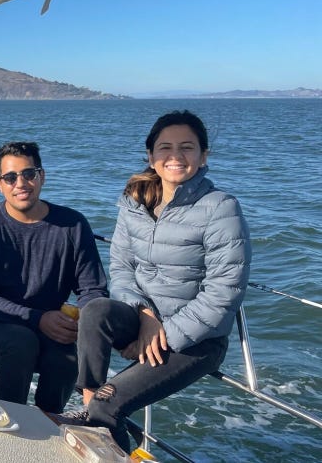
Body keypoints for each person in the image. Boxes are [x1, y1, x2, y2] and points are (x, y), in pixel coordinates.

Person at [61, 111, 251, 452]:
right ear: (150, 155)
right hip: (143, 321)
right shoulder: (134, 201)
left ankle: (99, 414)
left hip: (197, 340)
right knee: (95, 310)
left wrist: (162, 336)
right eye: (165, 147)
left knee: (109, 405)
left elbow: (224, 293)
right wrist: (145, 314)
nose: (175, 156)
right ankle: (90, 401)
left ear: (203, 155)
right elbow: (120, 267)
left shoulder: (220, 208)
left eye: (187, 147)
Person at [0, 141, 108, 413]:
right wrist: (39, 319)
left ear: (42, 176)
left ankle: (49, 421)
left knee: (67, 355)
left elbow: (92, 289)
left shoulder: (72, 224)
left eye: (29, 174)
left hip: (45, 320)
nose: (21, 183)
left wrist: (85, 324)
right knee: (20, 342)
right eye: (10, 177)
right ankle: (9, 419)